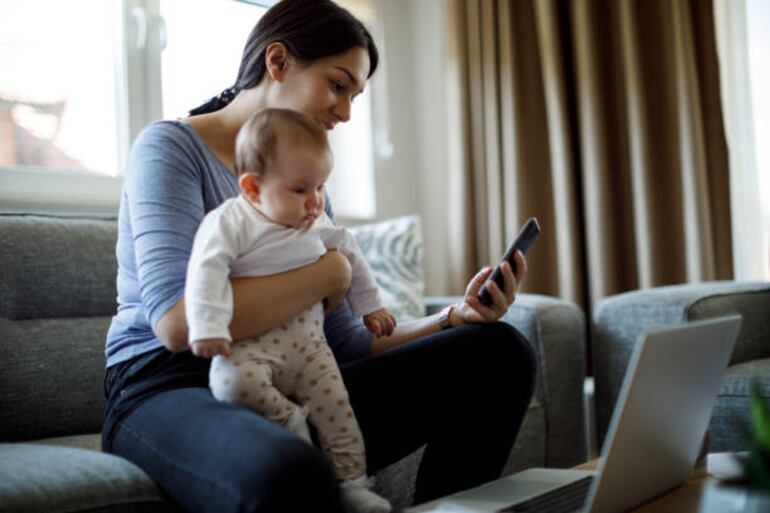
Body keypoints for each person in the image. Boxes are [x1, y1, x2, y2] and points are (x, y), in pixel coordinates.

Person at [102, 1, 536, 512]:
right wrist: (328, 272)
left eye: (354, 95)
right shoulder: (171, 149)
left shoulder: (306, 188)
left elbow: (347, 344)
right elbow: (177, 323)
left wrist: (451, 319)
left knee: (497, 352)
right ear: (279, 61)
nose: (346, 112)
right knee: (288, 468)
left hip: (289, 371)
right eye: (338, 85)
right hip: (172, 385)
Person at [185, 107, 395, 513]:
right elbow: (205, 270)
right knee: (229, 385)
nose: (315, 202)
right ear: (251, 188)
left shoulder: (313, 222)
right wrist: (208, 324)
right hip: (251, 346)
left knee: (339, 412)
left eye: (320, 188)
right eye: (301, 190)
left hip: (311, 347)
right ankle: (288, 421)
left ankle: (352, 483)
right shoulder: (229, 222)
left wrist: (371, 306)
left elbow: (349, 251)